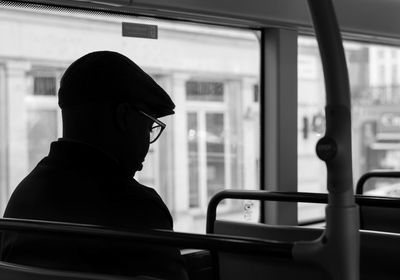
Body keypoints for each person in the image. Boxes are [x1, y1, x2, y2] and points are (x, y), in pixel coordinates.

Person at [0, 51, 189, 280]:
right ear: (123, 117)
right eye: (148, 128)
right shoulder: (139, 207)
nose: (147, 145)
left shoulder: (22, 199)